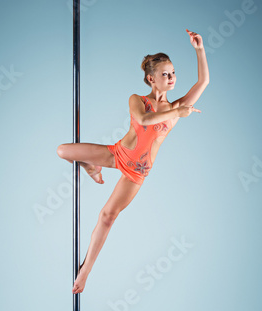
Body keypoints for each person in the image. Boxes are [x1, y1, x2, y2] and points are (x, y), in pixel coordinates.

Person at [57, 29, 209, 294]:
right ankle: (91, 165)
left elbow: (203, 82)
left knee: (107, 216)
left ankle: (85, 272)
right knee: (62, 151)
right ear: (151, 79)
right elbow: (145, 121)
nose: (171, 78)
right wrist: (178, 111)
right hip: (117, 154)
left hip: (137, 171)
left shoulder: (178, 106)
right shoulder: (138, 100)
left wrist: (199, 49)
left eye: (173, 73)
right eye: (165, 74)